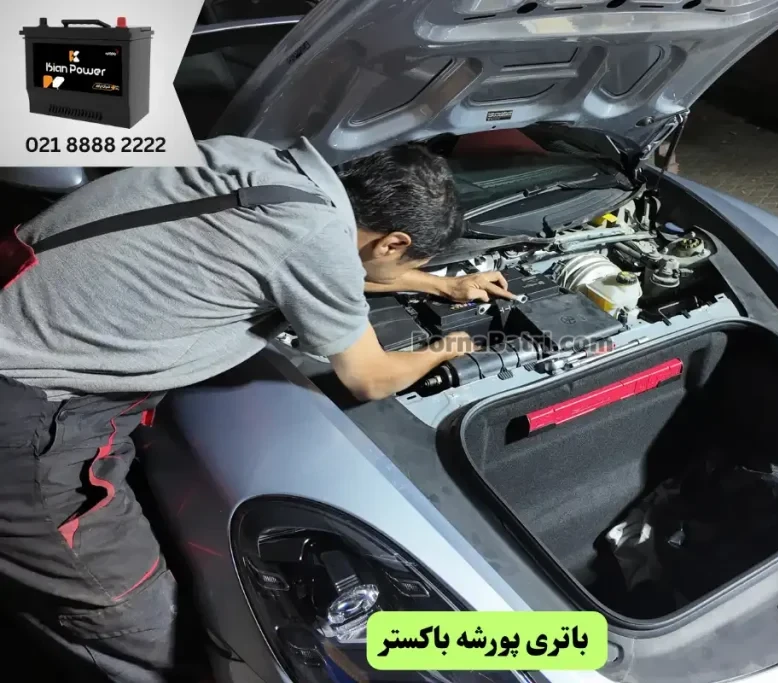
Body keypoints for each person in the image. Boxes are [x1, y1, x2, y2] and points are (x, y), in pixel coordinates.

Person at [0, 135, 512, 681]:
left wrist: (442, 285)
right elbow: (370, 378)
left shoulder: (254, 162)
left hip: (35, 351)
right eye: (410, 258)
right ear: (392, 242)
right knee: (137, 627)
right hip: (33, 422)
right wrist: (451, 347)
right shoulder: (313, 239)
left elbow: (327, 264)